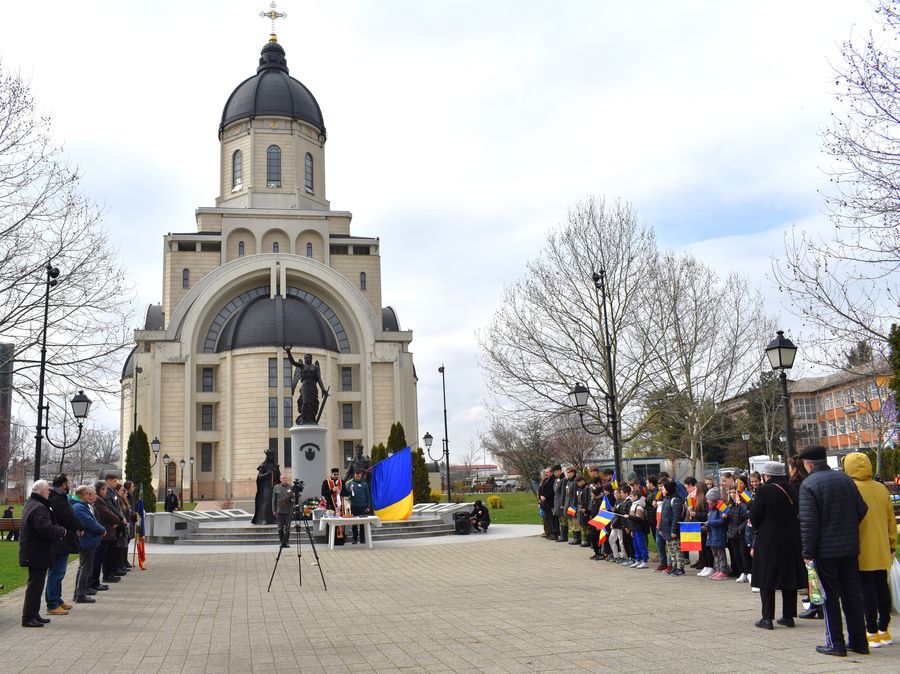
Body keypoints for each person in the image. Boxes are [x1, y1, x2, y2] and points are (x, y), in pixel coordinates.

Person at [798, 444, 869, 657]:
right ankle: (859, 642)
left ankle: (835, 642)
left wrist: (807, 553)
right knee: (851, 595)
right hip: (849, 548)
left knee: (829, 596)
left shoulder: (809, 484)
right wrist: (846, 527)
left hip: (825, 551)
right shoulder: (845, 479)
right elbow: (862, 509)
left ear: (808, 464)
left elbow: (809, 523)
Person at [843, 452, 896, 648]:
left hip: (861, 547)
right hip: (882, 546)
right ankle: (884, 629)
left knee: (866, 589)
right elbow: (890, 519)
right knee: (882, 587)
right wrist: (891, 544)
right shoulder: (881, 488)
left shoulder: (850, 488)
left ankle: (871, 631)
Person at [749, 461, 806, 630]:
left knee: (767, 576)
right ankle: (788, 616)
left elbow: (755, 516)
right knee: (789, 575)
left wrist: (758, 527)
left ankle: (767, 618)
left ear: (767, 476)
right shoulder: (792, 489)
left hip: (769, 538)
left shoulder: (764, 491)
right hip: (792, 537)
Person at [19, 480, 65, 627]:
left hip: (35, 551)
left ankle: (34, 614)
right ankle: (28, 617)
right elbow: (45, 529)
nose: (49, 492)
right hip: (37, 552)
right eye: (47, 489)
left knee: (37, 585)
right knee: (35, 586)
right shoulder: (38, 507)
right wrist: (61, 531)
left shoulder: (33, 504)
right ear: (41, 492)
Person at [45, 474, 82, 616]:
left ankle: (57, 599)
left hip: (63, 539)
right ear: (63, 484)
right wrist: (80, 526)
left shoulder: (59, 497)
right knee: (56, 572)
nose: (70, 485)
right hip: (60, 540)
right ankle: (52, 603)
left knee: (59, 572)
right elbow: (68, 518)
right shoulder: (57, 499)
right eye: (68, 482)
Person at [69, 484, 105, 604]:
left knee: (83, 567)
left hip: (88, 540)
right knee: (85, 568)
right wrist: (102, 529)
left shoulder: (82, 506)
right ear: (84, 495)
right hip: (87, 541)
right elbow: (89, 522)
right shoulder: (79, 507)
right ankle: (80, 595)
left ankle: (78, 594)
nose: (92, 496)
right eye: (90, 494)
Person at [89, 481, 121, 594]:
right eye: (104, 489)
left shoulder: (101, 499)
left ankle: (97, 581)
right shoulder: (98, 500)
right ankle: (95, 582)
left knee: (104, 557)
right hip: (104, 533)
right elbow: (106, 513)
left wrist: (117, 519)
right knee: (99, 559)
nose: (106, 492)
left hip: (107, 532)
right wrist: (118, 519)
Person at [658, 480, 684, 576]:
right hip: (666, 530)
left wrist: (674, 530)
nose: (662, 490)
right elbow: (663, 516)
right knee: (670, 550)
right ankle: (674, 566)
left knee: (677, 549)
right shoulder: (666, 499)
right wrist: (661, 528)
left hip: (672, 530)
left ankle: (680, 568)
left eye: (664, 489)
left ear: (668, 490)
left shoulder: (675, 500)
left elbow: (676, 517)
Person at [704, 488, 728, 580]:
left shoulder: (721, 507)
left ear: (713, 499)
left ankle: (723, 571)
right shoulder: (711, 509)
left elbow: (722, 521)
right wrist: (706, 526)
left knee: (721, 554)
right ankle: (717, 569)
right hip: (712, 535)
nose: (707, 501)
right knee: (715, 554)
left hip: (719, 535)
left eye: (708, 499)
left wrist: (709, 523)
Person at [346, 469, 372, 544]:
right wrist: (349, 490)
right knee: (354, 523)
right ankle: (354, 538)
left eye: (359, 475)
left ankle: (362, 538)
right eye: (356, 475)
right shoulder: (350, 483)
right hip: (354, 506)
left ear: (361, 475)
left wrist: (368, 506)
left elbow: (368, 496)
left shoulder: (364, 484)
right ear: (354, 475)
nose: (357, 477)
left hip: (363, 506)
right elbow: (346, 494)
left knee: (362, 523)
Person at [272, 474, 293, 548]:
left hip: (288, 510)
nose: (284, 480)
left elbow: (293, 498)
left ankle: (286, 542)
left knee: (287, 527)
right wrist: (274, 510)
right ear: (280, 479)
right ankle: (282, 542)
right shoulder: (276, 487)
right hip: (279, 511)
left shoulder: (290, 487)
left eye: (285, 478)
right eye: (283, 478)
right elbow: (274, 499)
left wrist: (293, 499)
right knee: (280, 528)